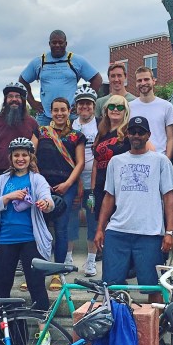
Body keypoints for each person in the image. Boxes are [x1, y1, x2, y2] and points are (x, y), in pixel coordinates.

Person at [94, 116, 173, 289]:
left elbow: (168, 197)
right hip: (118, 231)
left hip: (150, 232)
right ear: (127, 134)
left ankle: (154, 317)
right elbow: (109, 197)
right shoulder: (116, 162)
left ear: (148, 135)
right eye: (132, 131)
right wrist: (100, 228)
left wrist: (169, 231)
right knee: (112, 286)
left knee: (153, 286)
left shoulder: (161, 161)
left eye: (141, 132)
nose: (136, 135)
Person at [0, 137, 54, 339]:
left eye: (24, 155)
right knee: (2, 287)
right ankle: (3, 334)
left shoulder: (37, 179)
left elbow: (48, 200)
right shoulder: (2, 180)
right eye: (17, 155)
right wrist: (8, 197)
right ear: (11, 158)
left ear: (30, 156)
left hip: (30, 239)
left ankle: (44, 333)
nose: (21, 158)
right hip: (5, 239)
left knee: (36, 285)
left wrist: (45, 204)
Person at [37, 97, 86, 289]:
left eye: (63, 110)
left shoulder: (76, 136)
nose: (59, 113)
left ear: (69, 111)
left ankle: (57, 272)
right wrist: (40, 182)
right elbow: (31, 155)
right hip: (43, 185)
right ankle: (38, 269)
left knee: (61, 228)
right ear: (50, 111)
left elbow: (80, 162)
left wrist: (68, 184)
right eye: (55, 110)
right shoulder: (41, 132)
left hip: (66, 185)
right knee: (40, 228)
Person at [19, 30, 102, 125]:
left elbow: (97, 79)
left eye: (60, 42)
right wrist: (32, 101)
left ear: (66, 43)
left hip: (71, 115)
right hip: (46, 115)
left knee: (73, 139)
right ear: (49, 44)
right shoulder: (40, 62)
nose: (57, 45)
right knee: (42, 139)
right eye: (54, 42)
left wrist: (84, 100)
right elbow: (22, 81)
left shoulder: (76, 60)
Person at [0, 81, 39, 181]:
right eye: (10, 96)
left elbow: (34, 151)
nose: (14, 99)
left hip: (23, 175)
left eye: (18, 96)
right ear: (5, 100)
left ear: (23, 100)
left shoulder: (32, 122)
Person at [69, 86, 99, 276]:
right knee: (70, 221)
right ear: (76, 106)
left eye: (88, 103)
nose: (85, 107)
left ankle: (91, 261)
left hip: (94, 182)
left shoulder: (101, 124)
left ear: (94, 106)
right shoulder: (71, 126)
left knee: (93, 221)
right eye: (81, 103)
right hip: (74, 181)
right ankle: (67, 258)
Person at [91, 95, 131, 220]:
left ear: (125, 111)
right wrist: (92, 190)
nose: (115, 109)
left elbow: (149, 151)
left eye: (120, 107)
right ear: (106, 110)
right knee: (101, 226)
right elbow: (95, 163)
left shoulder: (129, 132)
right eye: (112, 106)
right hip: (100, 185)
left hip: (120, 186)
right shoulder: (101, 132)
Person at [128, 65, 173, 157]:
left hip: (159, 157)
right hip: (136, 158)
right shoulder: (129, 106)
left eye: (146, 79)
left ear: (153, 81)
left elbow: (170, 138)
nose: (143, 83)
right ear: (136, 83)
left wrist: (167, 161)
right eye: (139, 80)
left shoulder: (166, 106)